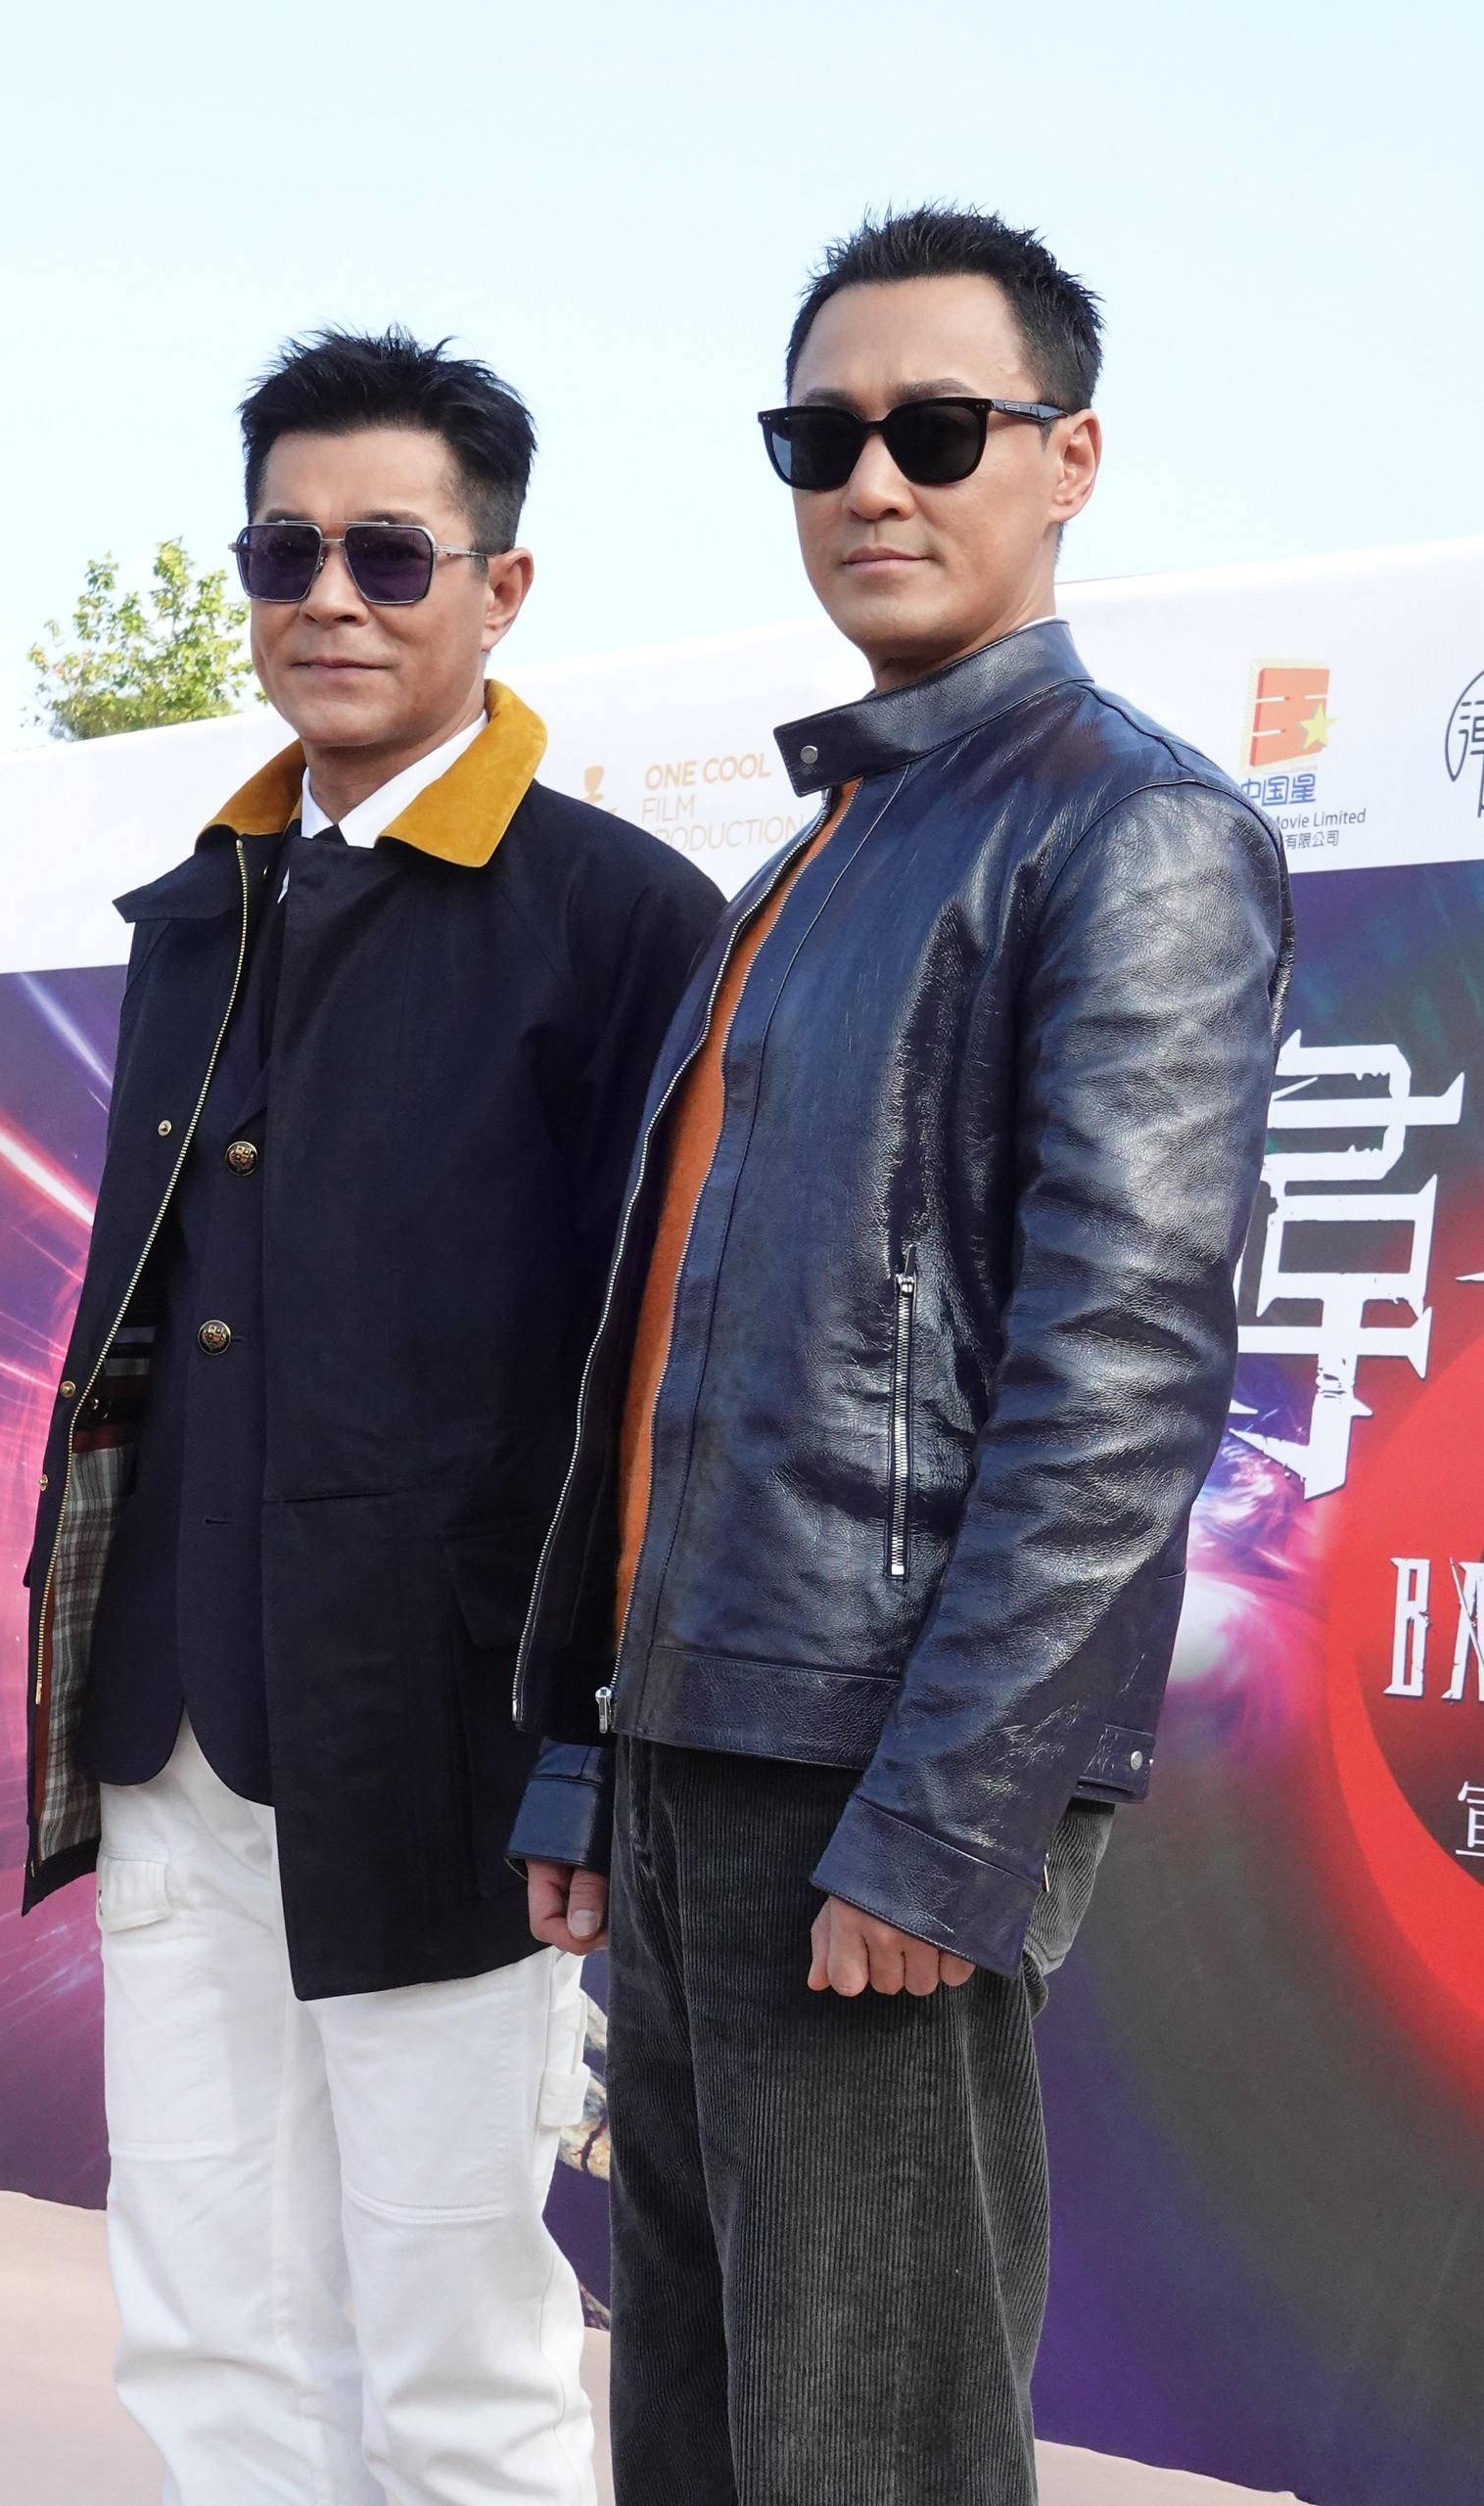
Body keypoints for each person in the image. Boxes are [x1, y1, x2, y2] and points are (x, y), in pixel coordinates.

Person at [512, 208, 1293, 2503]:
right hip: (695, 1753)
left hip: (874, 1783)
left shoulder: (1131, 827)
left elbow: (1114, 1382)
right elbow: (668, 1363)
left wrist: (947, 1818)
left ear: (1067, 458)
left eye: (934, 428)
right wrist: (584, 1753)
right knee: (691, 2429)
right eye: (818, 435)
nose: (869, 477)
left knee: (866, 2451)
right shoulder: (811, 855)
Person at [19, 327, 723, 2506]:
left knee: (451, 2349)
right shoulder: (195, 912)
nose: (329, 596)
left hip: (449, 1755)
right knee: (206, 2319)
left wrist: (589, 1740)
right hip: (171, 1735)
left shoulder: (624, 921)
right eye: (284, 550)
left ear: (500, 589)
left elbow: (661, 1383)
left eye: (390, 555)